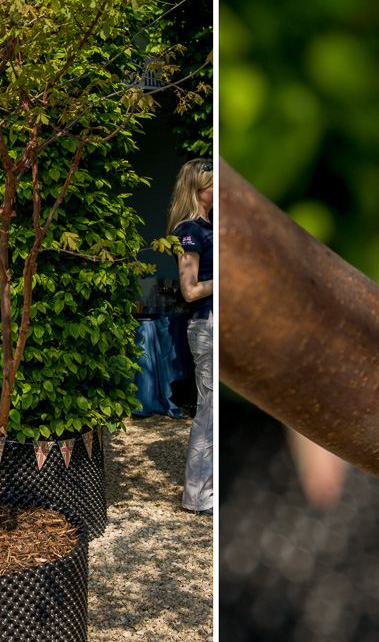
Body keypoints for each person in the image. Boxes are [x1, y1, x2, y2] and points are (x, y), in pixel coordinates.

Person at [170, 158, 215, 514]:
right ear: (197, 190)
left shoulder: (213, 225)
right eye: (214, 184)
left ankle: (209, 490)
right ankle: (198, 497)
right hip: (206, 323)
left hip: (220, 321)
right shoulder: (190, 230)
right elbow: (189, 290)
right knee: (209, 412)